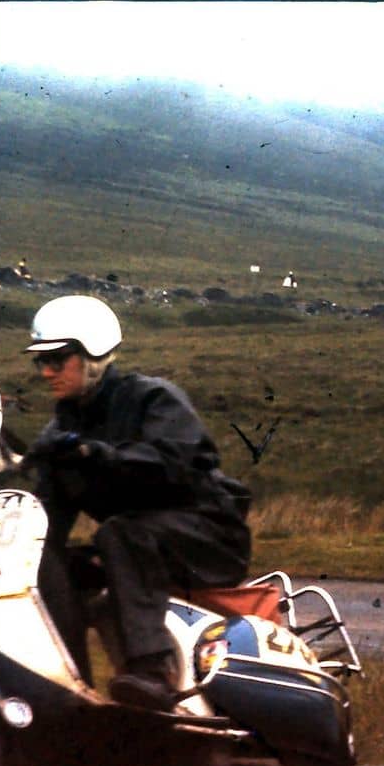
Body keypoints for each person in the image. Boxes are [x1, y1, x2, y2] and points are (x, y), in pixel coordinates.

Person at [24, 295, 253, 710]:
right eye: (40, 361)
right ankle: (71, 687)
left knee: (120, 532)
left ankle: (152, 673)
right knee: (46, 562)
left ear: (93, 355)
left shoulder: (152, 399)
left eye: (57, 359)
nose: (46, 371)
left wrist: (97, 454)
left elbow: (179, 463)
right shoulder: (64, 429)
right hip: (144, 543)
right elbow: (47, 521)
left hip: (210, 538)